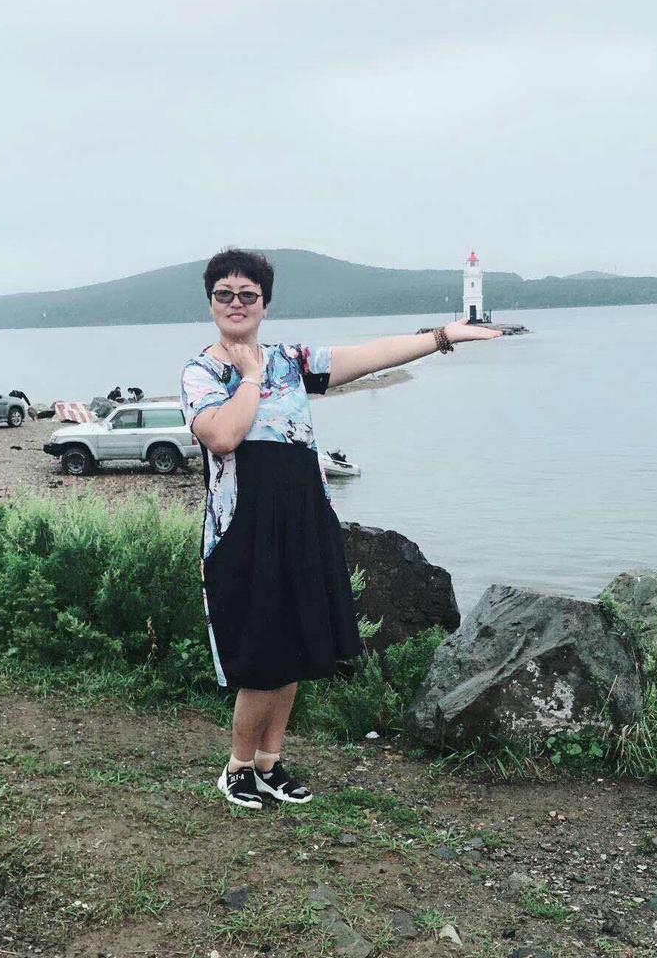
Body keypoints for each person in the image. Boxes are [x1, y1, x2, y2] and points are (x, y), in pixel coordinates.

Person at [182, 247, 502, 810]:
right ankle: (236, 768)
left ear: (264, 303)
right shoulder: (202, 372)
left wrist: (443, 336)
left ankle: (268, 762)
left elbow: (368, 356)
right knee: (262, 656)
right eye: (224, 294)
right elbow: (223, 436)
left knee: (295, 647)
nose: (236, 303)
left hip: (302, 521)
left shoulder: (292, 360)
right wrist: (251, 376)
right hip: (244, 531)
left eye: (248, 295)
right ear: (211, 302)